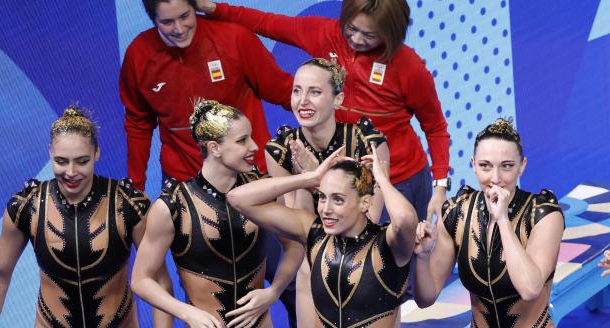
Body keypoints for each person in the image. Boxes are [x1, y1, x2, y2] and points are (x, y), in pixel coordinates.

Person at [192, 0, 451, 222]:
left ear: (389, 31)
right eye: (351, 28)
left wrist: (440, 186)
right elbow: (266, 22)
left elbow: (436, 127)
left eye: (370, 35)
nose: (357, 40)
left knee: (395, 263)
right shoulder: (325, 34)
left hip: (399, 180)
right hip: (344, 181)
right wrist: (211, 7)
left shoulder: (410, 67)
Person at [0, 106, 172, 328]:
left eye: (82, 161)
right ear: (50, 152)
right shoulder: (26, 206)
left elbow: (160, 281)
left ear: (97, 152)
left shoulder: (129, 204)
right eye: (61, 161)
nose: (70, 172)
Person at [131, 99, 304, 328]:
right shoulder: (174, 205)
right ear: (215, 148)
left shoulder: (263, 191)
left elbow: (295, 245)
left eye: (250, 137)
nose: (254, 146)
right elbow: (140, 280)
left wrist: (273, 292)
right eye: (242, 140)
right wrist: (186, 312)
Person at [120, 0, 293, 191]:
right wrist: (136, 188)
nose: (179, 29)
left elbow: (284, 91)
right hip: (185, 185)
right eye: (167, 22)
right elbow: (138, 124)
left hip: (251, 175)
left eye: (185, 16)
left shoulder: (233, 38)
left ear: (195, 6)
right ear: (153, 20)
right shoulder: (138, 56)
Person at [226, 144, 418, 327]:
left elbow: (403, 218)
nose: (325, 209)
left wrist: (382, 179)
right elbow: (237, 198)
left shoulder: (387, 244)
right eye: (323, 197)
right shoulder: (314, 233)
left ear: (365, 203)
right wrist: (311, 178)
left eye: (338, 199)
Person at [265, 56, 389, 326]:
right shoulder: (281, 151)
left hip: (363, 263)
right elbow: (301, 232)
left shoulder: (367, 142)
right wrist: (307, 179)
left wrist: (319, 176)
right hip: (312, 265)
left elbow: (368, 225)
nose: (303, 100)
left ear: (338, 100)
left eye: (315, 92)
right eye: (297, 90)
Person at [413, 118, 565, 327]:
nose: (495, 178)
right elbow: (425, 299)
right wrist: (421, 257)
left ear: (522, 166)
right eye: (485, 166)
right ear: (473, 165)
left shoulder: (542, 214)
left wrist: (502, 219)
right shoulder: (456, 213)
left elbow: (530, 289)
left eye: (507, 166)